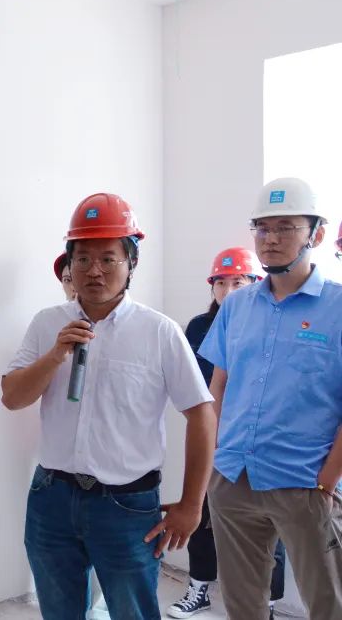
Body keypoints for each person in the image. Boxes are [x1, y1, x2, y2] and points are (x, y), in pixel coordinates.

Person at [1, 192, 215, 620]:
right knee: (59, 611)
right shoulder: (48, 322)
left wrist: (192, 505)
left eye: (108, 259)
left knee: (132, 612)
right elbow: (12, 397)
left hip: (126, 505)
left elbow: (201, 414)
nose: (94, 270)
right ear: (70, 264)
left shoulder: (160, 332)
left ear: (131, 263)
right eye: (82, 259)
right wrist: (56, 355)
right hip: (51, 497)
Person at [199, 177, 342, 620]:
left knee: (329, 604)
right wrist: (214, 462)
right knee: (243, 606)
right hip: (233, 478)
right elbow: (218, 387)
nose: (271, 238)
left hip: (304, 484)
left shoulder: (338, 308)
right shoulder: (236, 305)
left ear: (316, 234)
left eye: (285, 227)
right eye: (262, 228)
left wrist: (326, 483)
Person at [166, 247, 288, 618]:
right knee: (203, 514)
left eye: (238, 282)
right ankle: (198, 589)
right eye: (221, 282)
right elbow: (192, 384)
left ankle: (267, 604)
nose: (228, 290)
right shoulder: (199, 327)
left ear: (254, 283)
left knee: (270, 526)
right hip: (213, 437)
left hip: (261, 442)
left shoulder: (272, 322)